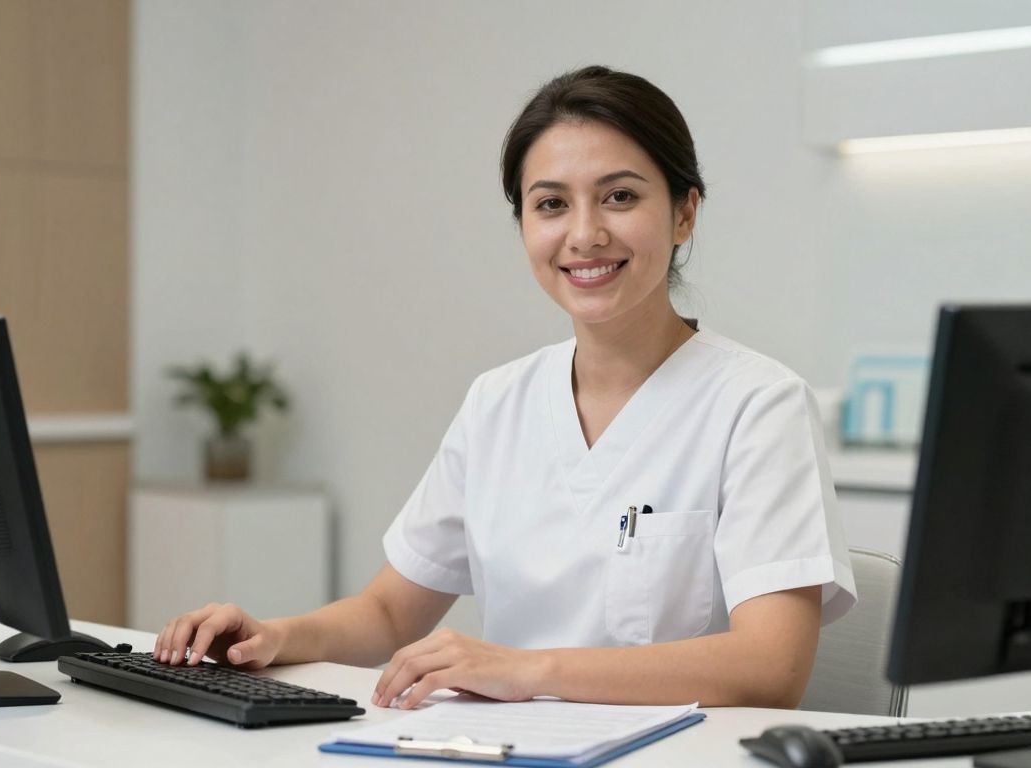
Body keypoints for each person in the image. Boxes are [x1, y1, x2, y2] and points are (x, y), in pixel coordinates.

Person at [154, 65, 856, 710]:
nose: (584, 234)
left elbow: (771, 667)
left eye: (619, 196)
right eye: (551, 204)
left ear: (684, 214)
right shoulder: (498, 401)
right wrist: (272, 637)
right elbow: (391, 614)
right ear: (523, 223)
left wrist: (526, 670)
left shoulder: (758, 404)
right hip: (502, 748)